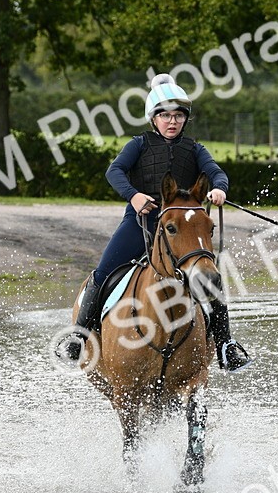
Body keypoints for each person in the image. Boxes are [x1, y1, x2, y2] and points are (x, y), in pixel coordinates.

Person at [61, 73, 252, 372]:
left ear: (184, 119)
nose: (172, 121)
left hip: (181, 226)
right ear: (154, 118)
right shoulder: (139, 144)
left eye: (178, 115)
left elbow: (217, 172)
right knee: (103, 271)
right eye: (165, 115)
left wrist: (219, 189)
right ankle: (79, 336)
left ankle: (226, 344)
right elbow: (115, 172)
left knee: (210, 277)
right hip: (141, 221)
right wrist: (134, 196)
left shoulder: (195, 149)